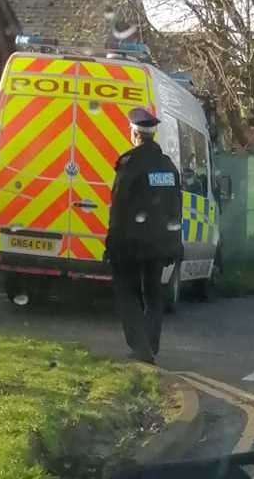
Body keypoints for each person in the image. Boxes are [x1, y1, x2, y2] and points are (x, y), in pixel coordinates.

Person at [105, 106, 183, 363]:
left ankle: (140, 346)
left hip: (130, 244)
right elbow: (175, 208)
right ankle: (151, 344)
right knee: (153, 293)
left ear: (135, 134)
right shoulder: (168, 167)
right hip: (159, 244)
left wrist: (112, 243)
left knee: (127, 292)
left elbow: (119, 207)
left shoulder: (130, 164)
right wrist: (174, 244)